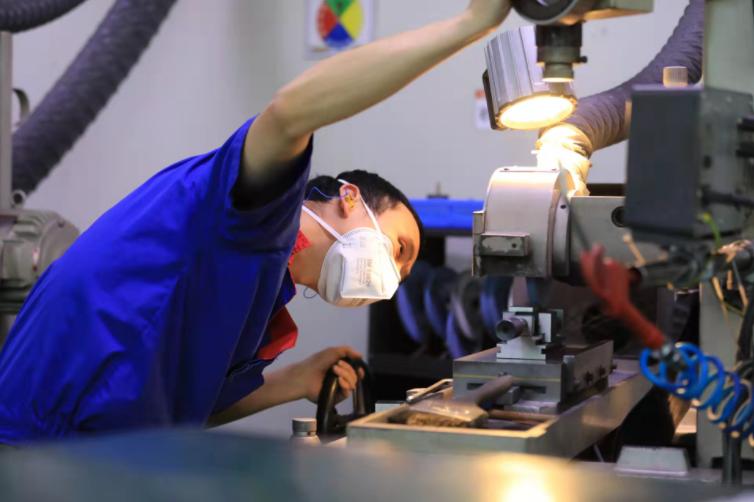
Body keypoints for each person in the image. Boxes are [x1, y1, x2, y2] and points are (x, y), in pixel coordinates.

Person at [0, 0, 512, 444]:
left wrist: (295, 380)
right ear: (349, 198)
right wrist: (470, 24)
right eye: (399, 249)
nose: (393, 279)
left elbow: (182, 409)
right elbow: (290, 113)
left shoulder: (262, 300)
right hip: (34, 449)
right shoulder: (254, 215)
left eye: (401, 276)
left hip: (97, 454)